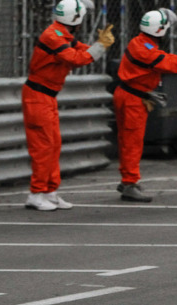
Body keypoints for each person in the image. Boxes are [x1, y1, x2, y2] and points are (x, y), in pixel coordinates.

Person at [22, 0, 114, 211]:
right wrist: (100, 46)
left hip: (46, 97)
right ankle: (36, 194)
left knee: (53, 145)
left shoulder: (62, 35)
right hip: (37, 96)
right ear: (75, 19)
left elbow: (82, 52)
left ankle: (49, 191)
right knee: (43, 147)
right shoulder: (53, 36)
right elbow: (75, 58)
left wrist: (100, 45)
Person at [114, 9, 177, 202]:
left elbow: (166, 62)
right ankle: (130, 182)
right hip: (133, 99)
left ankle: (127, 180)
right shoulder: (146, 49)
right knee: (132, 142)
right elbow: (171, 64)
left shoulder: (140, 42)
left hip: (129, 95)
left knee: (128, 141)